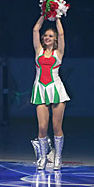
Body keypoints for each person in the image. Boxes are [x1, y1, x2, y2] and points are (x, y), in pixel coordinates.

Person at [32, 16, 70, 170]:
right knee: (42, 127)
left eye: (50, 36)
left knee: (56, 127)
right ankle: (42, 157)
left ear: (55, 40)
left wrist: (57, 17)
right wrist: (43, 14)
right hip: (40, 89)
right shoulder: (38, 51)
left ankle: (58, 157)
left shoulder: (58, 53)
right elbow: (35, 29)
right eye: (45, 35)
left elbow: (62, 34)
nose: (47, 37)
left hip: (56, 90)